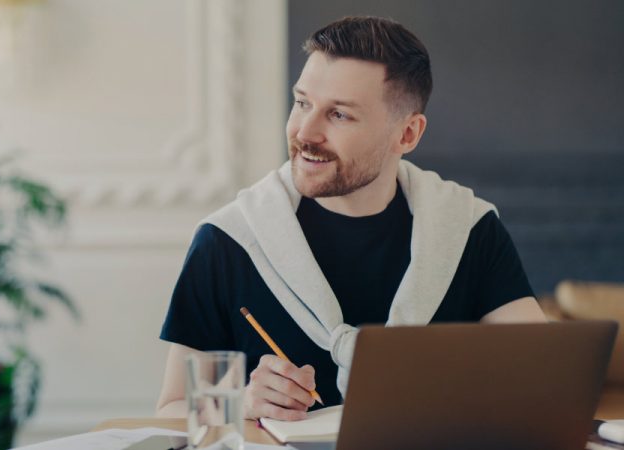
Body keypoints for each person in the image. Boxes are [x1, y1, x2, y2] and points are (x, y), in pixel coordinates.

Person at [156, 16, 546, 422]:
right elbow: (170, 410)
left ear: (408, 135)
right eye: (302, 102)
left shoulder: (469, 229)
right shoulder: (227, 241)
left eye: (339, 115)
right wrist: (241, 405)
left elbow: (546, 380)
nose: (305, 132)